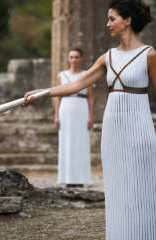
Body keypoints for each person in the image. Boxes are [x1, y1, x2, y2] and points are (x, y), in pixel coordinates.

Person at [25, 0, 156, 239]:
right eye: (107, 19)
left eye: (112, 19)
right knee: (118, 188)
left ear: (127, 21)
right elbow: (76, 84)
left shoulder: (149, 55)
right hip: (113, 130)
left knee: (146, 184)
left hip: (140, 128)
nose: (108, 24)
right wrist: (43, 92)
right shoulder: (108, 57)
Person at [55, 48, 94, 187]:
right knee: (66, 142)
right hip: (66, 108)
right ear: (68, 59)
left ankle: (81, 178)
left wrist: (91, 116)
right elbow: (58, 96)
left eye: (77, 57)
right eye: (71, 57)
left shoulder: (86, 74)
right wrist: (56, 116)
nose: (74, 60)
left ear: (81, 59)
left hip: (81, 108)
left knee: (81, 142)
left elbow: (90, 97)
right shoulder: (62, 75)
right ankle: (66, 177)